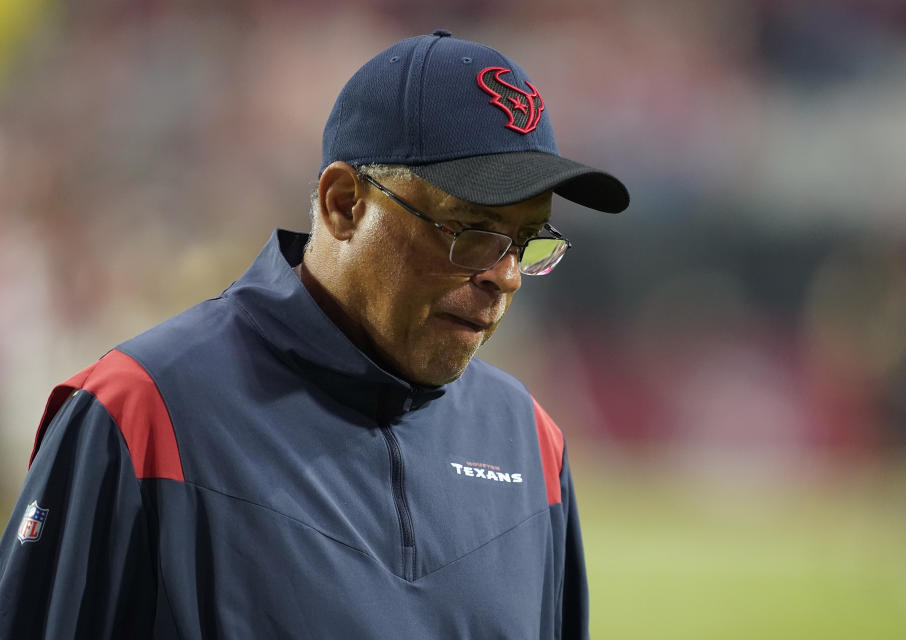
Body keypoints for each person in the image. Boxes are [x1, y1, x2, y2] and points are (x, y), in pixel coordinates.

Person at [0, 30, 629, 638]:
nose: (506, 276)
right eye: (472, 230)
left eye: (527, 242)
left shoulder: (531, 444)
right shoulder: (141, 411)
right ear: (344, 203)